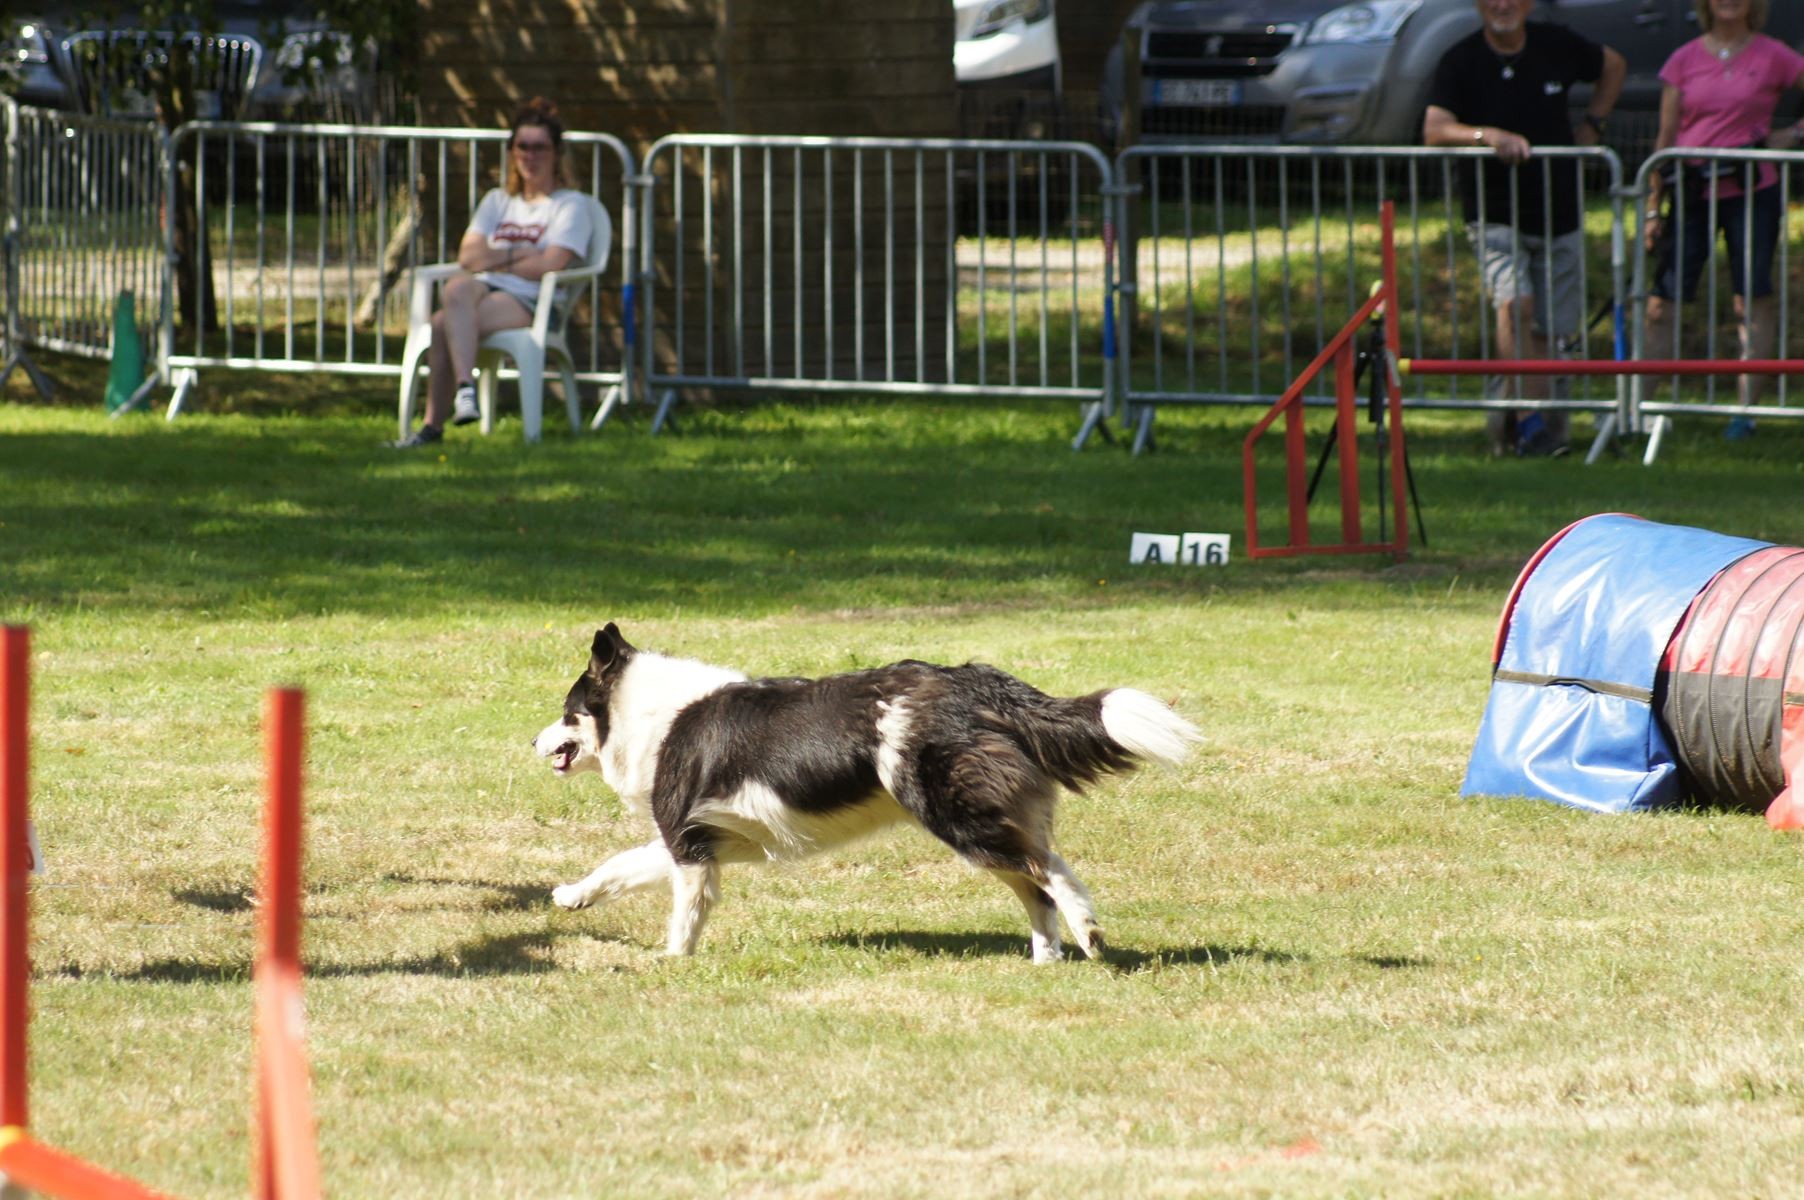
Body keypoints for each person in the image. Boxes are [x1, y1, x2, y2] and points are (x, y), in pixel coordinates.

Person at [1424, 0, 1625, 457]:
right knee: (1515, 304)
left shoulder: (1558, 44)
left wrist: (1593, 125)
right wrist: (1485, 135)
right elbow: (1434, 129)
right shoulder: (1460, 59)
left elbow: (1614, 65)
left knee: (1552, 331)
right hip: (1494, 211)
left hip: (1559, 210)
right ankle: (1523, 421)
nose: (1503, 5)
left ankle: (1549, 433)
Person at [392, 97, 596, 449]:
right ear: (512, 151)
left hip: (531, 300)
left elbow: (551, 264)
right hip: (482, 289)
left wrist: (497, 256)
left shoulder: (570, 205)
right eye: (522, 147)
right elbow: (468, 256)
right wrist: (520, 253)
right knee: (456, 288)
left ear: (557, 153)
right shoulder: (498, 201)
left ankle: (432, 428)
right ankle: (466, 390)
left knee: (442, 325)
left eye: (539, 148)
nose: (530, 156)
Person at [1642, 0, 1804, 439]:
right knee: (1663, 302)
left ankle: (1745, 412)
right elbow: (1664, 139)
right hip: (1693, 193)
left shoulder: (1774, 55)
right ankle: (1639, 408)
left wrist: (1791, 135)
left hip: (1753, 191)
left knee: (1751, 297)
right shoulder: (1684, 59)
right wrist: (1653, 208)